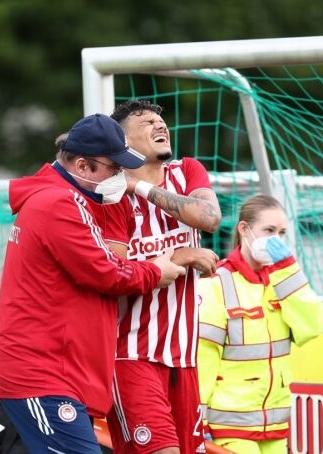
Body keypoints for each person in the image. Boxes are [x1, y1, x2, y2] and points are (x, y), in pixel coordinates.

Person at [0, 113, 186, 454]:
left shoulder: (59, 198)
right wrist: (156, 272)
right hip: (44, 375)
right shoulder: (59, 203)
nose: (121, 177)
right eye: (114, 168)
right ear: (82, 166)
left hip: (55, 373)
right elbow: (106, 272)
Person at [99, 99, 222, 454]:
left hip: (184, 359)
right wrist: (177, 257)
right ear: (124, 142)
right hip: (131, 355)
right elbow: (112, 276)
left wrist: (140, 186)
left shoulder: (188, 171)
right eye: (146, 122)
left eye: (160, 121)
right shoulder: (112, 197)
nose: (159, 125)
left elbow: (209, 218)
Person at [197, 195, 323, 453]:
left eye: (281, 233)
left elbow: (313, 326)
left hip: (275, 427)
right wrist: (197, 425)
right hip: (230, 427)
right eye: (268, 230)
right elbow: (204, 362)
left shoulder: (284, 281)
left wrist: (288, 269)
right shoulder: (215, 285)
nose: (276, 240)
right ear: (244, 229)